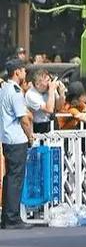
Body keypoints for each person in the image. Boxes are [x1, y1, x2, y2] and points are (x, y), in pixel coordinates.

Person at [1, 59, 33, 230]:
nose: (25, 73)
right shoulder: (15, 92)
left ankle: (6, 217)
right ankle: (13, 218)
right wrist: (30, 137)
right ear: (17, 72)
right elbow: (24, 120)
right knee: (16, 179)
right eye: (23, 70)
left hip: (7, 139)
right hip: (17, 139)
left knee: (10, 178)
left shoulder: (4, 89)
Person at [24, 68, 64, 135]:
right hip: (39, 126)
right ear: (37, 84)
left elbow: (59, 107)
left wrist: (62, 94)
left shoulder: (50, 90)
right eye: (47, 81)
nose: (50, 83)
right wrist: (51, 90)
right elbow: (49, 109)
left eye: (50, 80)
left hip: (52, 122)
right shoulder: (31, 94)